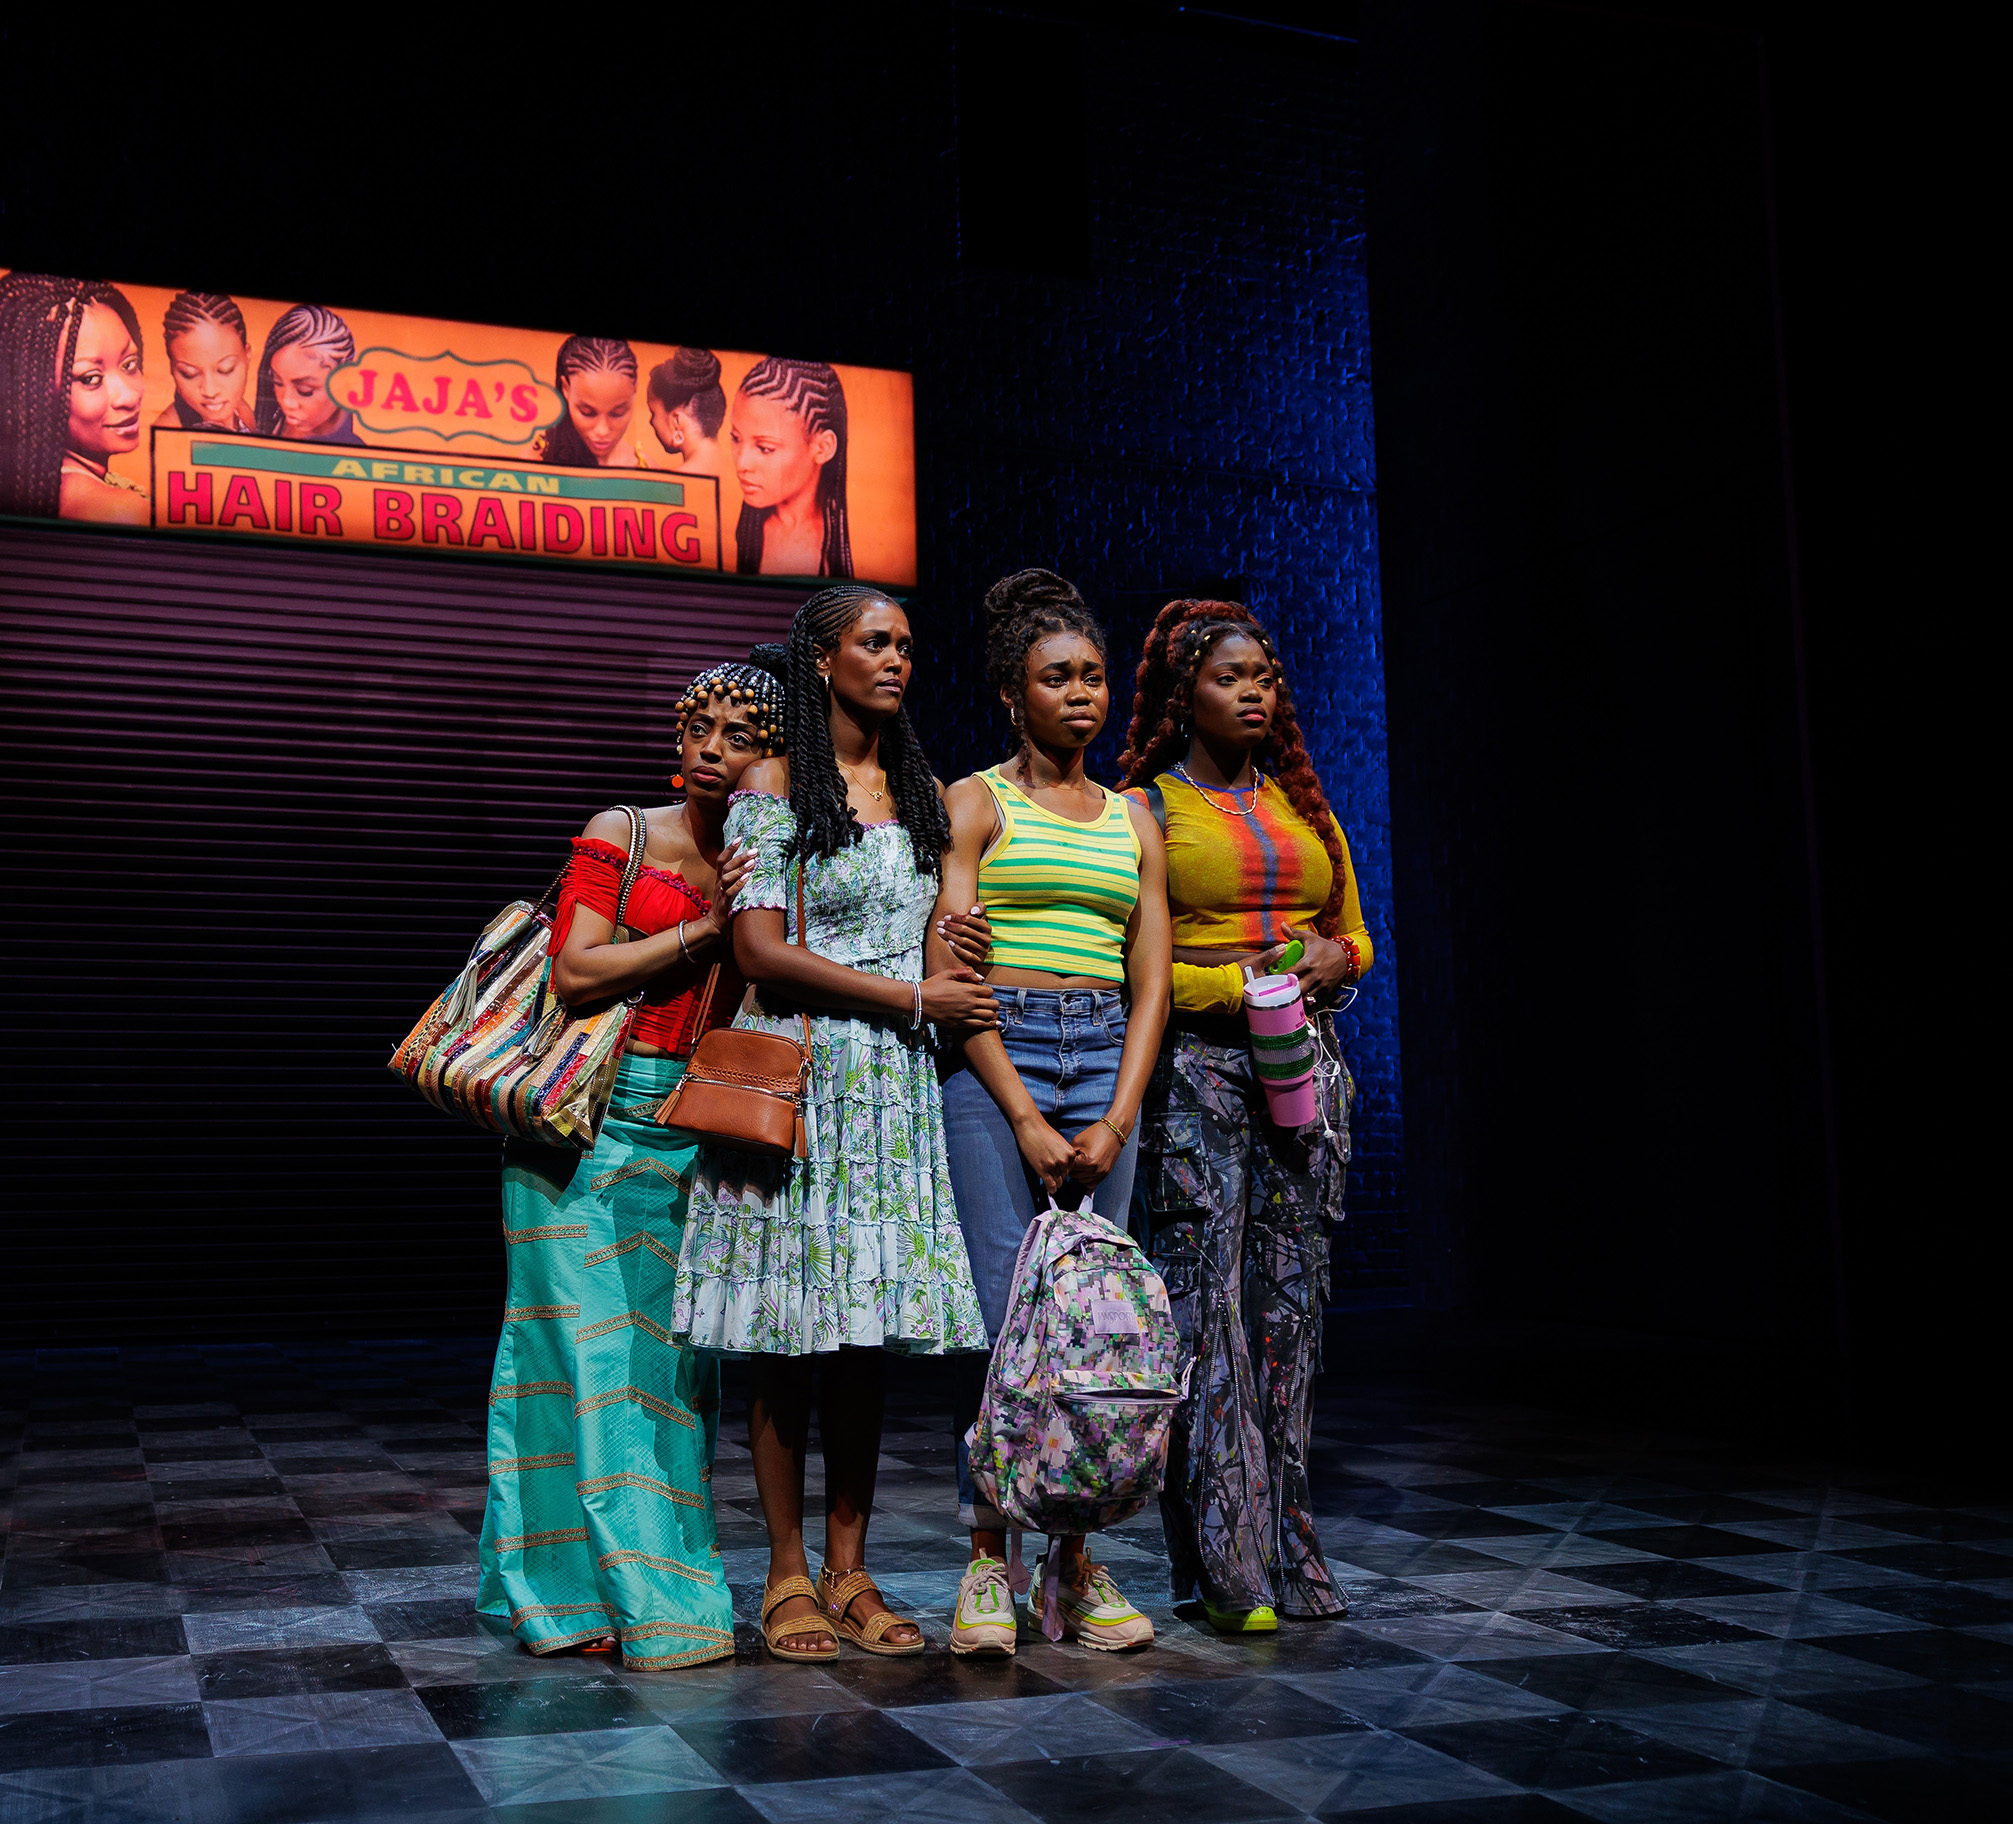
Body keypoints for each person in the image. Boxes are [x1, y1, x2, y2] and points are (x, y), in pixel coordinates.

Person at [672, 583, 994, 1663]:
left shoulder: (921, 789)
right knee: (787, 1341)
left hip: (893, 1098)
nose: (896, 659)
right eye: (873, 642)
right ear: (820, 660)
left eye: (906, 642)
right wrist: (911, 997)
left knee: (861, 1343)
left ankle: (853, 1571)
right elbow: (756, 951)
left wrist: (954, 965)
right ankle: (784, 1572)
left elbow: (942, 945)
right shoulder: (773, 782)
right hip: (808, 1079)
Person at [477, 649, 786, 1670]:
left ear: (773, 758)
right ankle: (631, 1604)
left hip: (688, 1135)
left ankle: (592, 1589)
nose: (712, 751)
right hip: (580, 1127)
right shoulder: (625, 831)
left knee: (668, 1376)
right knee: (580, 1363)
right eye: (699, 730)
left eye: (739, 737)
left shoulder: (763, 854)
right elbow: (575, 972)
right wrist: (705, 931)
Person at [1118, 598, 1375, 1632]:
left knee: (1290, 1318)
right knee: (1205, 1318)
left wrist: (1327, 963)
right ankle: (1223, 1561)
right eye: (1231, 677)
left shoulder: (1306, 806)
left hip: (1305, 1068)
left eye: (1264, 674)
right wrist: (1240, 986)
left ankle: (1291, 1545)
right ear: (1185, 697)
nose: (1255, 690)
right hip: (1199, 1074)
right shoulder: (1147, 809)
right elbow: (1142, 971)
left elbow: (1354, 938)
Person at [931, 569, 1172, 1655]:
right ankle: (992, 1562)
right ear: (1011, 696)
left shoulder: (1134, 816)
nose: (1082, 695)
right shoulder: (976, 800)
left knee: (1092, 1328)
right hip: (1001, 1068)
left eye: (1092, 676)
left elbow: (1151, 978)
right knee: (1002, 1328)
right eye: (1055, 678)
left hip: (1104, 1062)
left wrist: (1115, 1119)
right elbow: (954, 968)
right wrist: (1027, 1115)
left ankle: (1074, 1568)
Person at [0, 272, 149, 525]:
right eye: (91, 378)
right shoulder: (120, 510)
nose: (129, 395)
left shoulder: (33, 489)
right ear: (33, 395)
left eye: (129, 364)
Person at [730, 357, 850, 578]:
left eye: (765, 448)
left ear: (823, 447)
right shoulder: (736, 536)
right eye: (735, 438)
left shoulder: (855, 543)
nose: (741, 463)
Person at [255, 305, 363, 443]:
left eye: (305, 390)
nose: (287, 401)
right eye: (277, 382)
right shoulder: (267, 424)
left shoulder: (354, 455)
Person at [156, 292, 257, 433]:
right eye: (189, 374)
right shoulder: (168, 433)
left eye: (226, 370)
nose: (210, 391)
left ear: (247, 357)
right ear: (172, 369)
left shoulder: (240, 409)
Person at [536, 336, 642, 468]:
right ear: (566, 389)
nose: (602, 431)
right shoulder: (535, 461)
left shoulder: (646, 468)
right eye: (587, 413)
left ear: (634, 390)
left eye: (617, 413)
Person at [646, 347, 726, 474]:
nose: (651, 422)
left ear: (676, 421)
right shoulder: (747, 477)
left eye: (653, 413)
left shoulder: (670, 489)